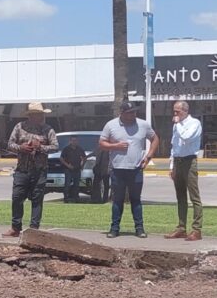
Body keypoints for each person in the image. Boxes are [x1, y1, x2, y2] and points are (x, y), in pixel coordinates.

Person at [99, 101, 159, 238]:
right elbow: (101, 143)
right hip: (118, 169)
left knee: (136, 199)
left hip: (136, 168)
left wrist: (148, 157)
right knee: (117, 200)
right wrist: (116, 146)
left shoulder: (143, 124)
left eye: (134, 112)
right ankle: (114, 228)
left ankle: (139, 228)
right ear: (122, 113)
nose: (133, 115)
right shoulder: (111, 125)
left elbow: (155, 138)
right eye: (130, 113)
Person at [2, 102, 59, 236]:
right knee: (17, 198)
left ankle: (34, 229)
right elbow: (10, 144)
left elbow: (55, 147)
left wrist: (41, 147)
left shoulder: (48, 129)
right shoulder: (19, 127)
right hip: (22, 169)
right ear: (31, 116)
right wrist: (21, 148)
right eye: (38, 114)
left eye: (41, 114)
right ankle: (16, 227)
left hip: (39, 171)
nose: (41, 117)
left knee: (37, 200)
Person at [165, 101, 204, 241]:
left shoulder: (194, 123)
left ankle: (197, 230)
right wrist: (172, 166)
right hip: (178, 161)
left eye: (178, 111)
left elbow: (186, 138)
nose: (175, 114)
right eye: (174, 111)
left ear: (185, 111)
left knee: (194, 197)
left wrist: (177, 124)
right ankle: (181, 228)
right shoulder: (177, 126)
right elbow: (174, 146)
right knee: (180, 197)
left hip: (189, 161)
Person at [61, 136, 86, 203]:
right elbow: (61, 159)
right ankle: (66, 198)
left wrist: (82, 165)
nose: (74, 142)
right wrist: (67, 165)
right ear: (70, 141)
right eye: (73, 140)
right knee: (67, 184)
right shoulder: (66, 149)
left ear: (77, 141)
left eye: (75, 140)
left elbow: (84, 157)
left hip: (77, 169)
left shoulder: (80, 149)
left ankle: (76, 198)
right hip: (68, 170)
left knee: (76, 185)